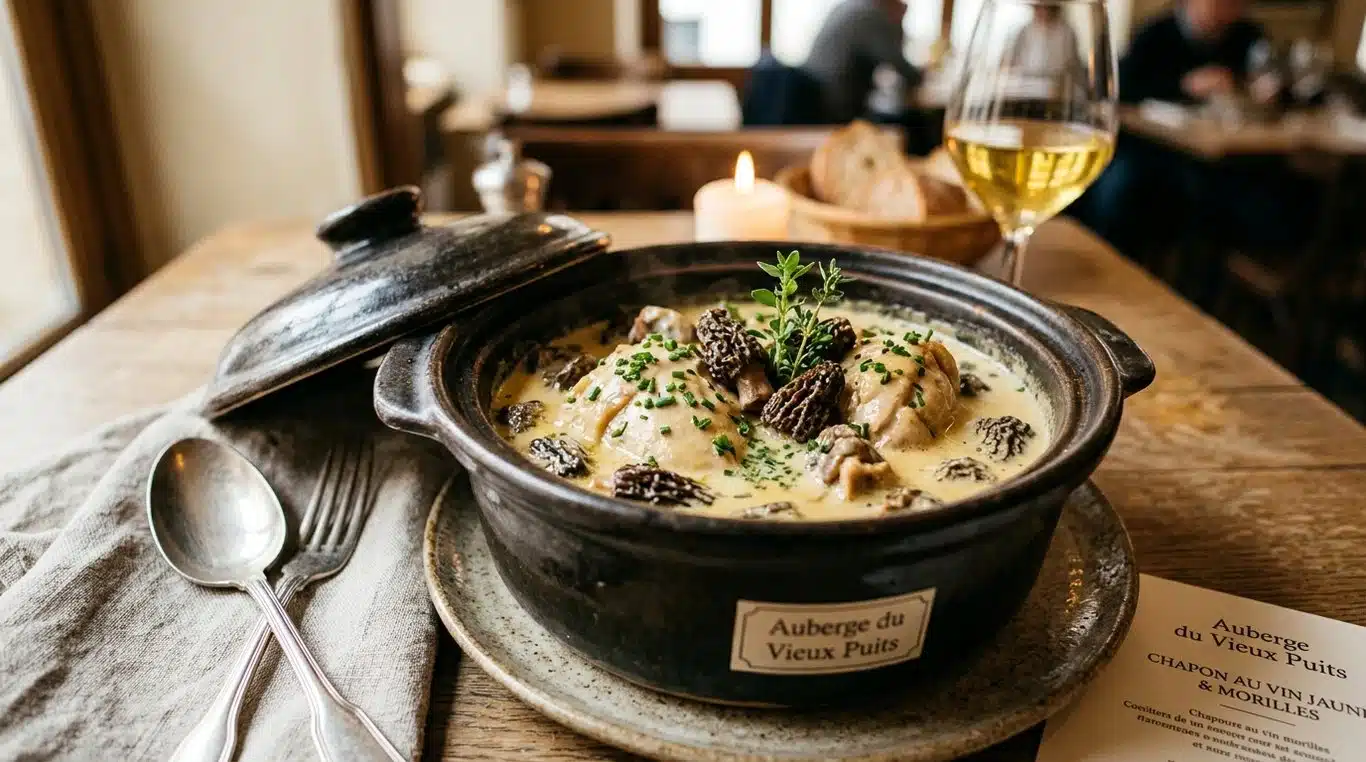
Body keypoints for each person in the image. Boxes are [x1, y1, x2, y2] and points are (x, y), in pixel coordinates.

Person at [1075, 0, 1316, 261]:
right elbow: (1123, 89)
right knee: (1124, 187)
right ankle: (1109, 263)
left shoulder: (1247, 36)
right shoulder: (1158, 33)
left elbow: (1278, 86)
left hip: (1221, 156)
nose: (1227, 11)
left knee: (1280, 195)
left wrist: (1268, 91)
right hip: (1153, 149)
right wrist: (1184, 86)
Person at [802, 0, 923, 124]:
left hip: (815, 98)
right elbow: (899, 64)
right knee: (910, 123)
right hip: (834, 106)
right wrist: (897, 24)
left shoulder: (848, 6)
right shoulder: (869, 15)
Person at [1005, 5, 1082, 78]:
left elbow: (1071, 66)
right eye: (1040, 7)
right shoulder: (1024, 31)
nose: (1043, 12)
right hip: (1026, 83)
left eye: (1046, 8)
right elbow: (1010, 63)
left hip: (1059, 84)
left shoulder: (1066, 31)